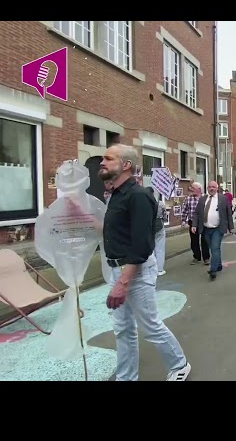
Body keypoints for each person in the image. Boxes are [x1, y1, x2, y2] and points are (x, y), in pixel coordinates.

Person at [98, 143, 191, 381]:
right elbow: (113, 230)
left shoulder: (139, 196)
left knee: (150, 325)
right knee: (123, 329)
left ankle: (180, 365)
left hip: (134, 272)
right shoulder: (116, 196)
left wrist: (123, 282)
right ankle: (127, 377)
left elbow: (141, 244)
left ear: (126, 165)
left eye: (108, 158)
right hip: (118, 269)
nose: (102, 162)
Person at [191, 180, 234, 280]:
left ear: (217, 188)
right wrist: (194, 225)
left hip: (218, 228)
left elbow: (228, 213)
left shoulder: (223, 199)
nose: (211, 189)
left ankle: (213, 270)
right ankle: (218, 265)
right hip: (205, 229)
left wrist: (231, 227)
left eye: (213, 187)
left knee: (215, 248)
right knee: (213, 248)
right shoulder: (202, 199)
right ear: (207, 188)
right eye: (210, 187)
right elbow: (197, 213)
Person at [146, 186, 167, 276]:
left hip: (149, 228)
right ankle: (159, 269)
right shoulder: (160, 203)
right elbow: (165, 215)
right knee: (160, 248)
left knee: (151, 249)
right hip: (159, 227)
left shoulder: (144, 203)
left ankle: (151, 269)